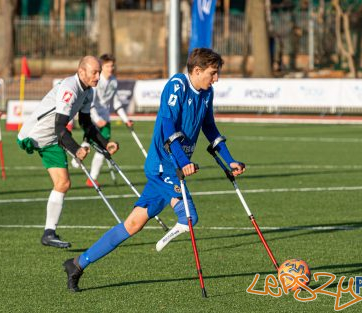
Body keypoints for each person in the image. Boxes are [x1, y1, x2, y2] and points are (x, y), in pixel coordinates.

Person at [63, 48, 246, 292]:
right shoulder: (177, 85)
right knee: (189, 217)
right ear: (197, 70)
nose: (216, 79)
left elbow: (209, 127)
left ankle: (77, 263)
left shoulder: (206, 93)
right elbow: (168, 124)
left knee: (132, 225)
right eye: (213, 73)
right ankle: (164, 239)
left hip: (175, 167)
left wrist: (229, 159)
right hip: (162, 165)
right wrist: (182, 160)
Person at [17, 56, 119, 249]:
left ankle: (49, 234)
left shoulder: (89, 91)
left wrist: (106, 143)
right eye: (94, 72)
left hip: (53, 137)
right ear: (81, 72)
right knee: (63, 181)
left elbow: (86, 124)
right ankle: (49, 232)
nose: (99, 76)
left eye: (99, 72)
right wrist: (76, 149)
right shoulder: (69, 89)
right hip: (35, 136)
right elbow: (60, 126)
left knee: (63, 183)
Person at [71, 54, 133, 187]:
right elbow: (90, 103)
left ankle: (92, 179)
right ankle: (78, 155)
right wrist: (97, 119)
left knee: (104, 149)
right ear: (101, 67)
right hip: (92, 117)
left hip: (105, 119)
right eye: (107, 66)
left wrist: (126, 119)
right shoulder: (96, 81)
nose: (111, 68)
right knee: (88, 142)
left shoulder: (114, 81)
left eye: (112, 65)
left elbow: (116, 103)